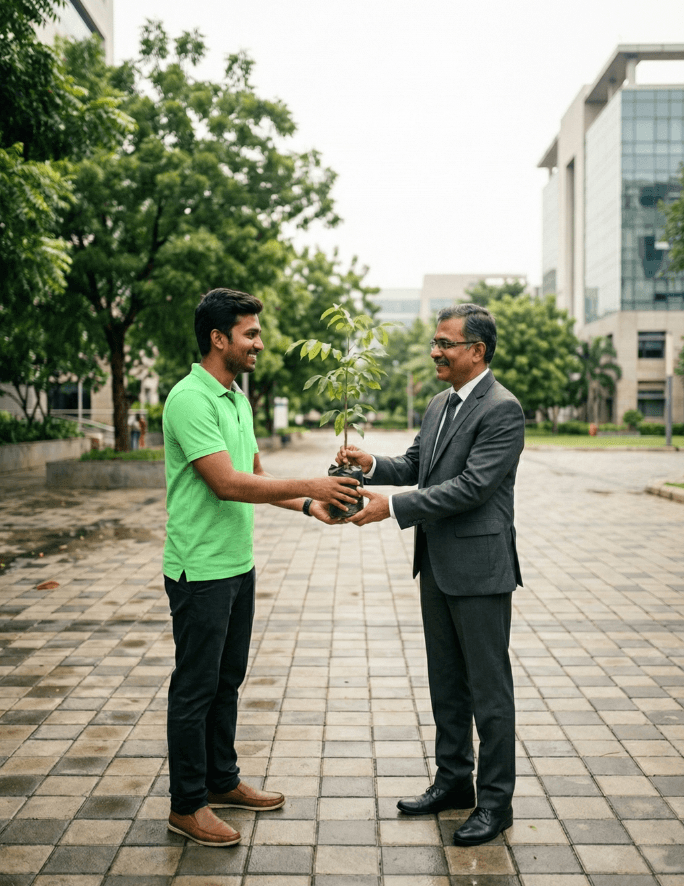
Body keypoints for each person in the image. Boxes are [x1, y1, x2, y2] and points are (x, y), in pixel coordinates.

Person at [163, 287, 359, 847]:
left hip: (237, 564)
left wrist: (307, 505)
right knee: (195, 688)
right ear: (218, 339)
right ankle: (186, 805)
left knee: (228, 681)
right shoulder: (189, 399)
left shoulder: (236, 398)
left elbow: (255, 474)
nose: (260, 342)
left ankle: (222, 781)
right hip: (197, 569)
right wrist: (312, 482)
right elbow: (225, 484)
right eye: (249, 333)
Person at [337, 303, 524, 847]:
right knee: (446, 682)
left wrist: (391, 509)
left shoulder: (502, 410)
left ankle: (495, 803)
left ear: (477, 351)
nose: (436, 351)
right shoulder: (441, 402)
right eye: (435, 343)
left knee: (489, 692)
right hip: (438, 566)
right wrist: (370, 465)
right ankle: (453, 784)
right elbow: (420, 464)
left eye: (446, 343)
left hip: (481, 571)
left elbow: (472, 487)